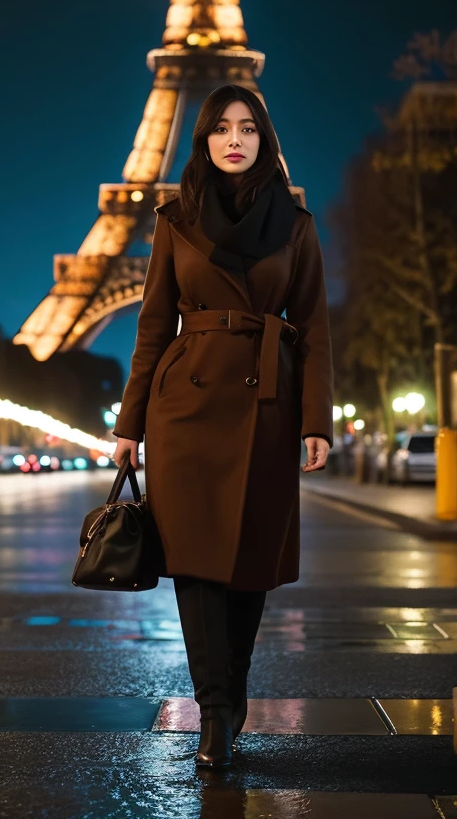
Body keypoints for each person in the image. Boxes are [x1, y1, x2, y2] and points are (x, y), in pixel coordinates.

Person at [112, 84, 333, 769]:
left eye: (248, 128)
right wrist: (131, 421)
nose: (233, 139)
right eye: (220, 128)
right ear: (203, 139)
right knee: (196, 565)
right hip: (187, 405)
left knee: (249, 566)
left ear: (265, 141)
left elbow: (316, 326)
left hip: (267, 400)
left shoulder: (295, 224)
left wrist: (315, 419)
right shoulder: (174, 218)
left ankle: (231, 690)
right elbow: (153, 326)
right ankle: (214, 712)